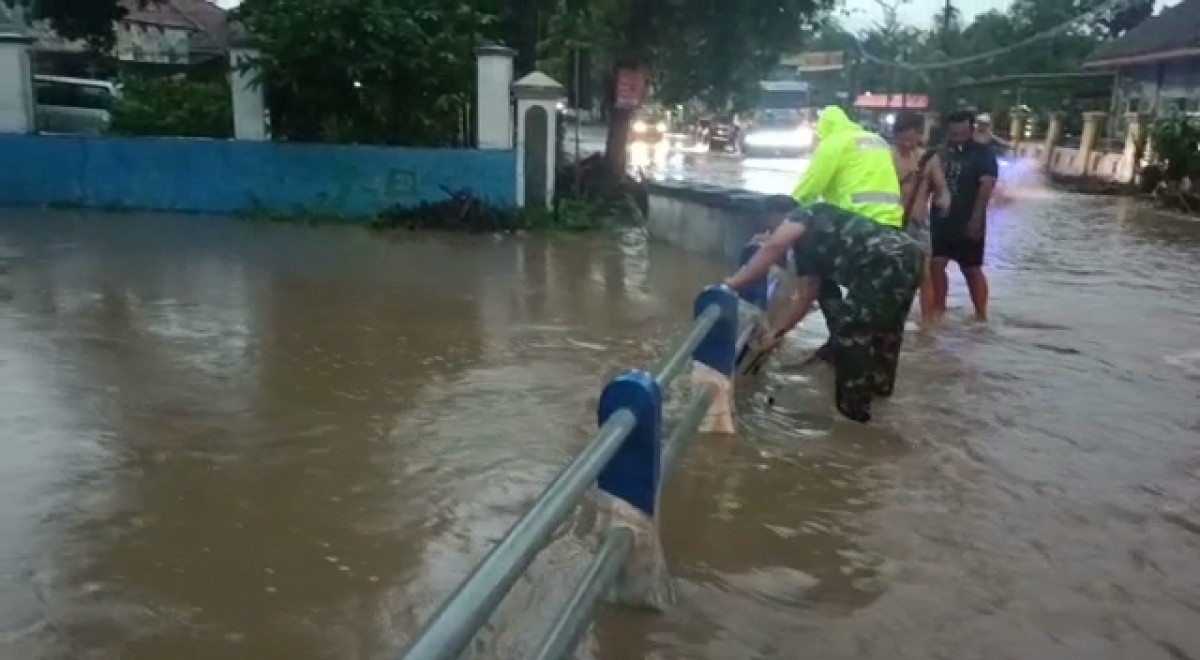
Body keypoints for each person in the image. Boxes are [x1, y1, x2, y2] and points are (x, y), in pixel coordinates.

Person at [725, 203, 923, 423]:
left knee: (853, 333)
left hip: (882, 260)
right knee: (887, 330)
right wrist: (776, 334)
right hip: (910, 254)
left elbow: (775, 245)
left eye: (768, 229)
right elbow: (806, 297)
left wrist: (736, 282)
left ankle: (854, 415)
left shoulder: (803, 214)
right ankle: (880, 391)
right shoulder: (810, 249)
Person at [790, 106, 905, 364]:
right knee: (876, 298)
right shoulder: (876, 141)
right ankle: (869, 359)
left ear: (823, 129)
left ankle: (840, 341)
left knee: (819, 274)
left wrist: (785, 222)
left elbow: (807, 191)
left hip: (858, 229)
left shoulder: (834, 143)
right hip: (893, 228)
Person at [928, 110, 999, 322]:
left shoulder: (983, 152)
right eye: (953, 133)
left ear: (971, 129)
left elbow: (987, 185)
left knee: (971, 269)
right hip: (940, 220)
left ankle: (981, 316)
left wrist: (976, 219)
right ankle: (938, 309)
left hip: (969, 219)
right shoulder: (940, 152)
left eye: (962, 132)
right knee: (936, 264)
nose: (957, 137)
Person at [891, 112, 950, 326]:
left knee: (924, 276)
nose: (906, 143)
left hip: (919, 224)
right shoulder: (886, 156)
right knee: (892, 275)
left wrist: (944, 202)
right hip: (893, 223)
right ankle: (891, 320)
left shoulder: (928, 158)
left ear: (919, 135)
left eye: (911, 138)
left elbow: (942, 189)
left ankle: (927, 324)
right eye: (902, 138)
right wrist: (908, 176)